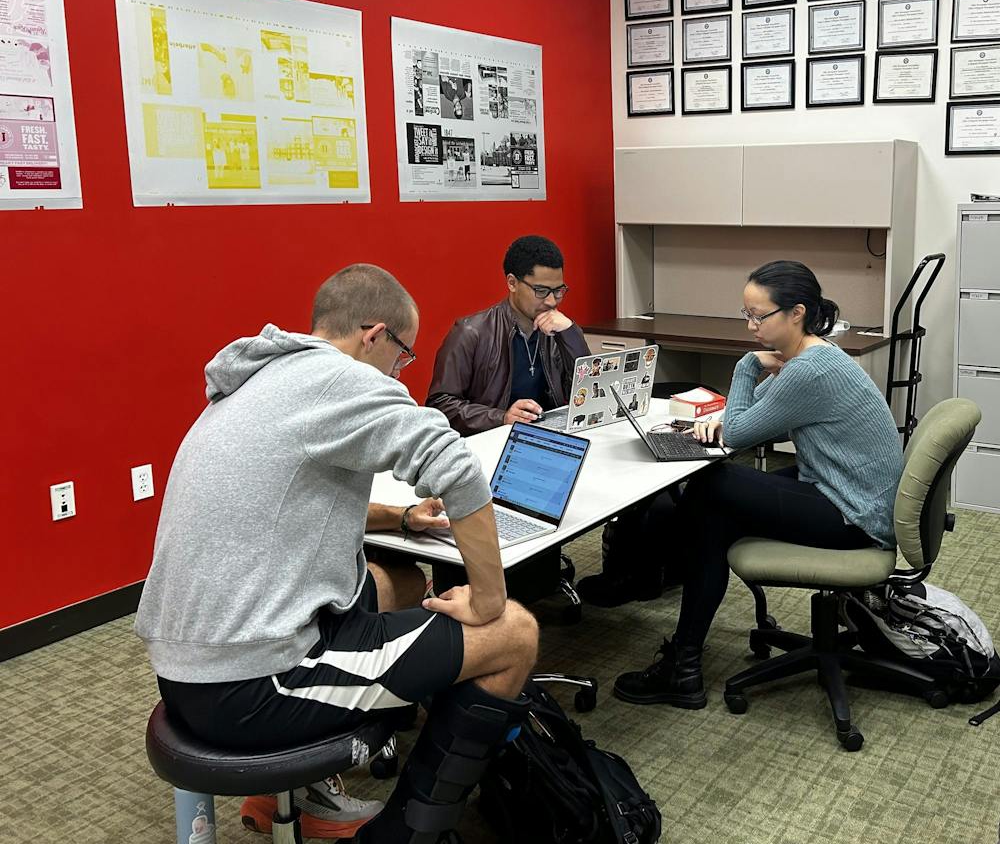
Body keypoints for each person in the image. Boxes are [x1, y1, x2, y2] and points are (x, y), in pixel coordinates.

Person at [135, 264, 538, 843]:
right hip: (252, 682)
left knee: (396, 580)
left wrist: (399, 518)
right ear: (373, 336)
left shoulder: (260, 378)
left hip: (188, 661)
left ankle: (295, 793)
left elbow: (285, 492)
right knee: (513, 633)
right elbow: (456, 467)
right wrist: (488, 598)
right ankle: (404, 833)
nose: (402, 372)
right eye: (403, 357)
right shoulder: (343, 381)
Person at [613, 260, 903, 710]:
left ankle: (677, 650)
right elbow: (753, 416)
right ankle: (682, 664)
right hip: (843, 491)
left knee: (711, 485)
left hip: (854, 516)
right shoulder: (813, 356)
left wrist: (748, 367)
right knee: (715, 511)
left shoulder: (810, 370)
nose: (750, 326)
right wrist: (726, 418)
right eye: (745, 314)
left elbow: (742, 431)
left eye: (758, 316)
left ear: (796, 313)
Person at [427, 235, 588, 436]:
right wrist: (501, 418)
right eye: (541, 290)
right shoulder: (471, 333)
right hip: (490, 442)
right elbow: (440, 405)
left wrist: (570, 333)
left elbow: (587, 392)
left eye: (558, 291)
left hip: (546, 437)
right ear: (512, 283)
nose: (551, 301)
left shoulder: (558, 330)